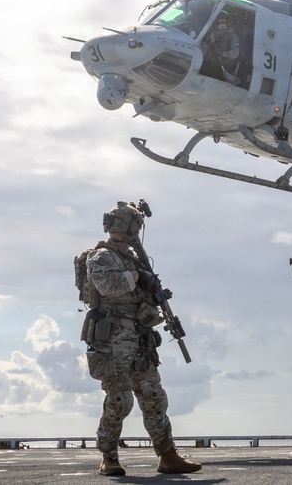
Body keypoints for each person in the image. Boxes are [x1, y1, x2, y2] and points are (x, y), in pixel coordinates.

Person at [82, 201, 202, 476]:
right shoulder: (101, 256)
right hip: (113, 339)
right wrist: (138, 275)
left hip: (139, 337)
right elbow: (108, 286)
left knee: (154, 397)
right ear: (130, 227)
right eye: (136, 225)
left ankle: (167, 455)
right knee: (120, 398)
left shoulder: (132, 258)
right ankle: (108, 457)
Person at [200, 11, 241, 84]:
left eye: (223, 22)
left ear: (228, 23)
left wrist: (222, 53)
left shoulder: (233, 37)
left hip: (223, 62)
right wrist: (211, 41)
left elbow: (235, 53)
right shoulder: (214, 34)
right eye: (218, 23)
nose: (220, 25)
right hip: (213, 59)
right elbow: (205, 45)